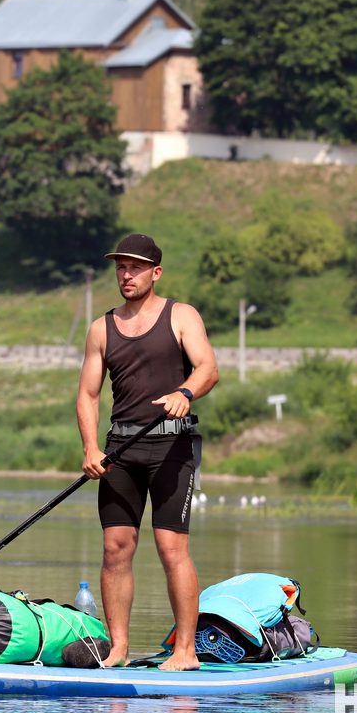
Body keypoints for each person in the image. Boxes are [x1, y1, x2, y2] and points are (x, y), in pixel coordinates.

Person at [76, 233, 219, 671]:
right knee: (115, 548)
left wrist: (185, 392)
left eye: (135, 267)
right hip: (121, 449)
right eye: (120, 266)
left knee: (170, 547)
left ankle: (185, 652)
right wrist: (90, 447)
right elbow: (87, 395)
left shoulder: (181, 316)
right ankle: (118, 649)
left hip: (172, 447)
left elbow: (208, 368)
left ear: (155, 272)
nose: (126, 274)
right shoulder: (102, 328)